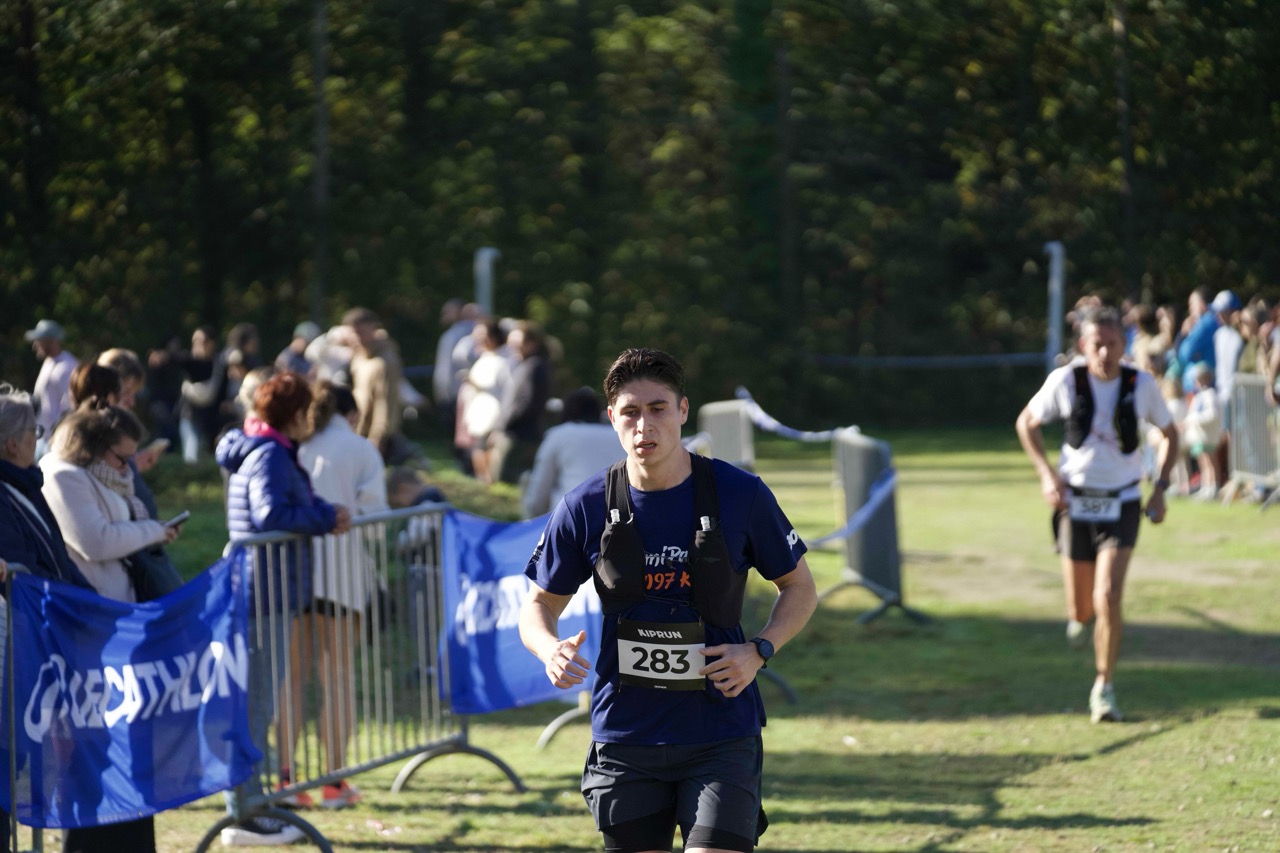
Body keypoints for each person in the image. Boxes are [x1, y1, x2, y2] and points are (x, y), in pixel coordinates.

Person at [518, 347, 817, 853]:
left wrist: (759, 649)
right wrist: (550, 649)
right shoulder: (585, 505)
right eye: (630, 412)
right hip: (626, 734)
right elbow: (538, 606)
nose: (644, 426)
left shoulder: (740, 494)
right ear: (611, 418)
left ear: (682, 410)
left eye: (658, 408)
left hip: (719, 730)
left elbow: (800, 587)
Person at [1016, 305, 1178, 724]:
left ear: (1124, 345)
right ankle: (1079, 619)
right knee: (1081, 609)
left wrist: (1160, 488)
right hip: (1075, 503)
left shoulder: (1140, 384)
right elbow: (1026, 422)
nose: (1105, 353)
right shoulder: (1066, 380)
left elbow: (1170, 434)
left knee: (1108, 596)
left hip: (1122, 501)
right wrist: (1047, 476)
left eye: (1112, 344)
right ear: (1083, 345)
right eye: (1097, 344)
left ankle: (1103, 687)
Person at [216, 371, 351, 846]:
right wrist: (325, 516)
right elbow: (270, 513)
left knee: (258, 704)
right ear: (294, 413)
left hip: (267, 592)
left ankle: (252, 804)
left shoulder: (266, 449)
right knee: (256, 706)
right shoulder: (270, 454)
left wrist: (320, 511)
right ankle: (246, 814)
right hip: (265, 593)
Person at [286, 381, 389, 809]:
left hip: (293, 575)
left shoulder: (294, 445)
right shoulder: (361, 449)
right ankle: (334, 781)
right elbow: (377, 524)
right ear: (352, 413)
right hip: (341, 577)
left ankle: (286, 780)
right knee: (337, 678)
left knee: (292, 679)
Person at [521, 386, 626, 518]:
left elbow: (539, 487)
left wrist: (533, 520)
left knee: (526, 478)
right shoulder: (617, 436)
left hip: (571, 517)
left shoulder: (560, 434)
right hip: (618, 517)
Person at [489, 321, 553, 485]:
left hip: (521, 434)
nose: (512, 348)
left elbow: (527, 404)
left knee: (505, 478)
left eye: (518, 344)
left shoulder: (535, 366)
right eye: (511, 344)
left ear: (532, 344)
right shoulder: (526, 365)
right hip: (516, 432)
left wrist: (504, 425)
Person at [344, 307, 411, 463]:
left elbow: (385, 404)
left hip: (377, 435)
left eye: (360, 332)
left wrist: (377, 439)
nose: (356, 338)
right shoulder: (358, 357)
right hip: (358, 428)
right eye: (353, 333)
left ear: (373, 329)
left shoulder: (385, 361)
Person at [461, 318, 509, 483]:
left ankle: (490, 482)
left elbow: (502, 390)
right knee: (477, 448)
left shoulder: (505, 360)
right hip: (479, 414)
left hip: (494, 414)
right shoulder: (483, 358)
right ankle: (483, 481)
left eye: (482, 335)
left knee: (488, 449)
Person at [25, 318, 78, 457]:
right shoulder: (49, 363)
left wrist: (60, 436)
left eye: (39, 340)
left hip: (56, 441)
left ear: (51, 341)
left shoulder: (66, 367)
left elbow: (70, 406)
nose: (35, 345)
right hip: (43, 438)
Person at [1182, 363, 1223, 500]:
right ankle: (1206, 486)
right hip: (1199, 435)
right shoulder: (1199, 396)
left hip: (1207, 435)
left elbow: (1212, 414)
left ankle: (1213, 486)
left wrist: (1196, 420)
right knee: (1203, 462)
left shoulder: (1210, 394)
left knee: (1210, 462)